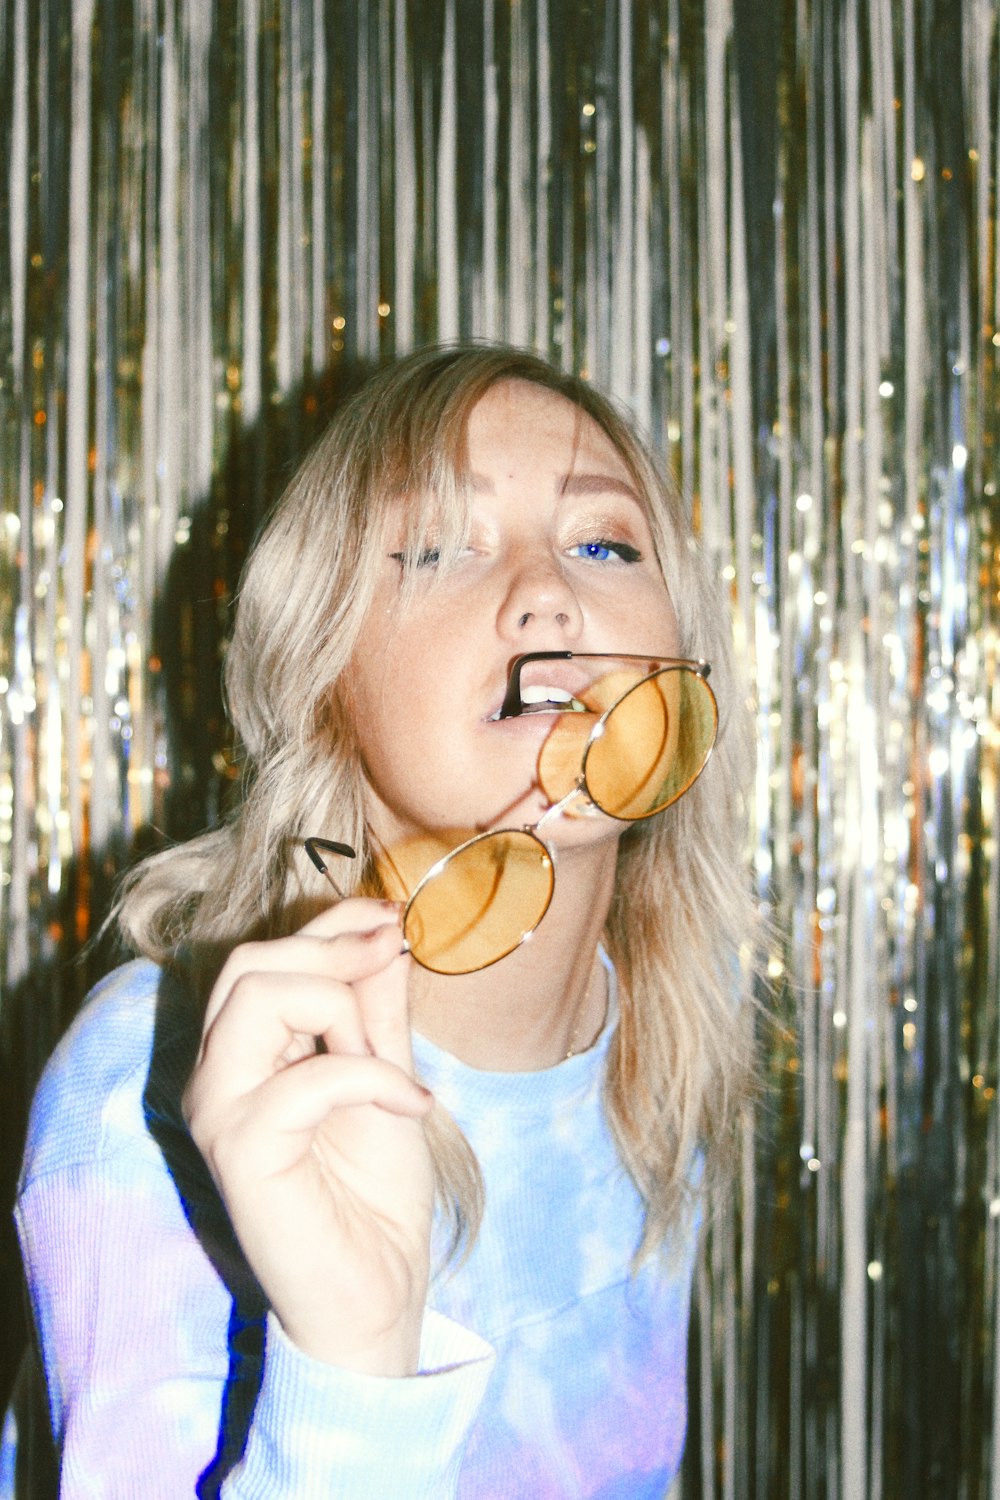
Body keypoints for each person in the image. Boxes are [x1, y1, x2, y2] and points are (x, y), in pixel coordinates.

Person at [11, 344, 757, 1497]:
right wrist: (353, 1365)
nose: (547, 590)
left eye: (603, 542)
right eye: (437, 546)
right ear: (324, 671)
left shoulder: (670, 1007)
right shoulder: (145, 1090)